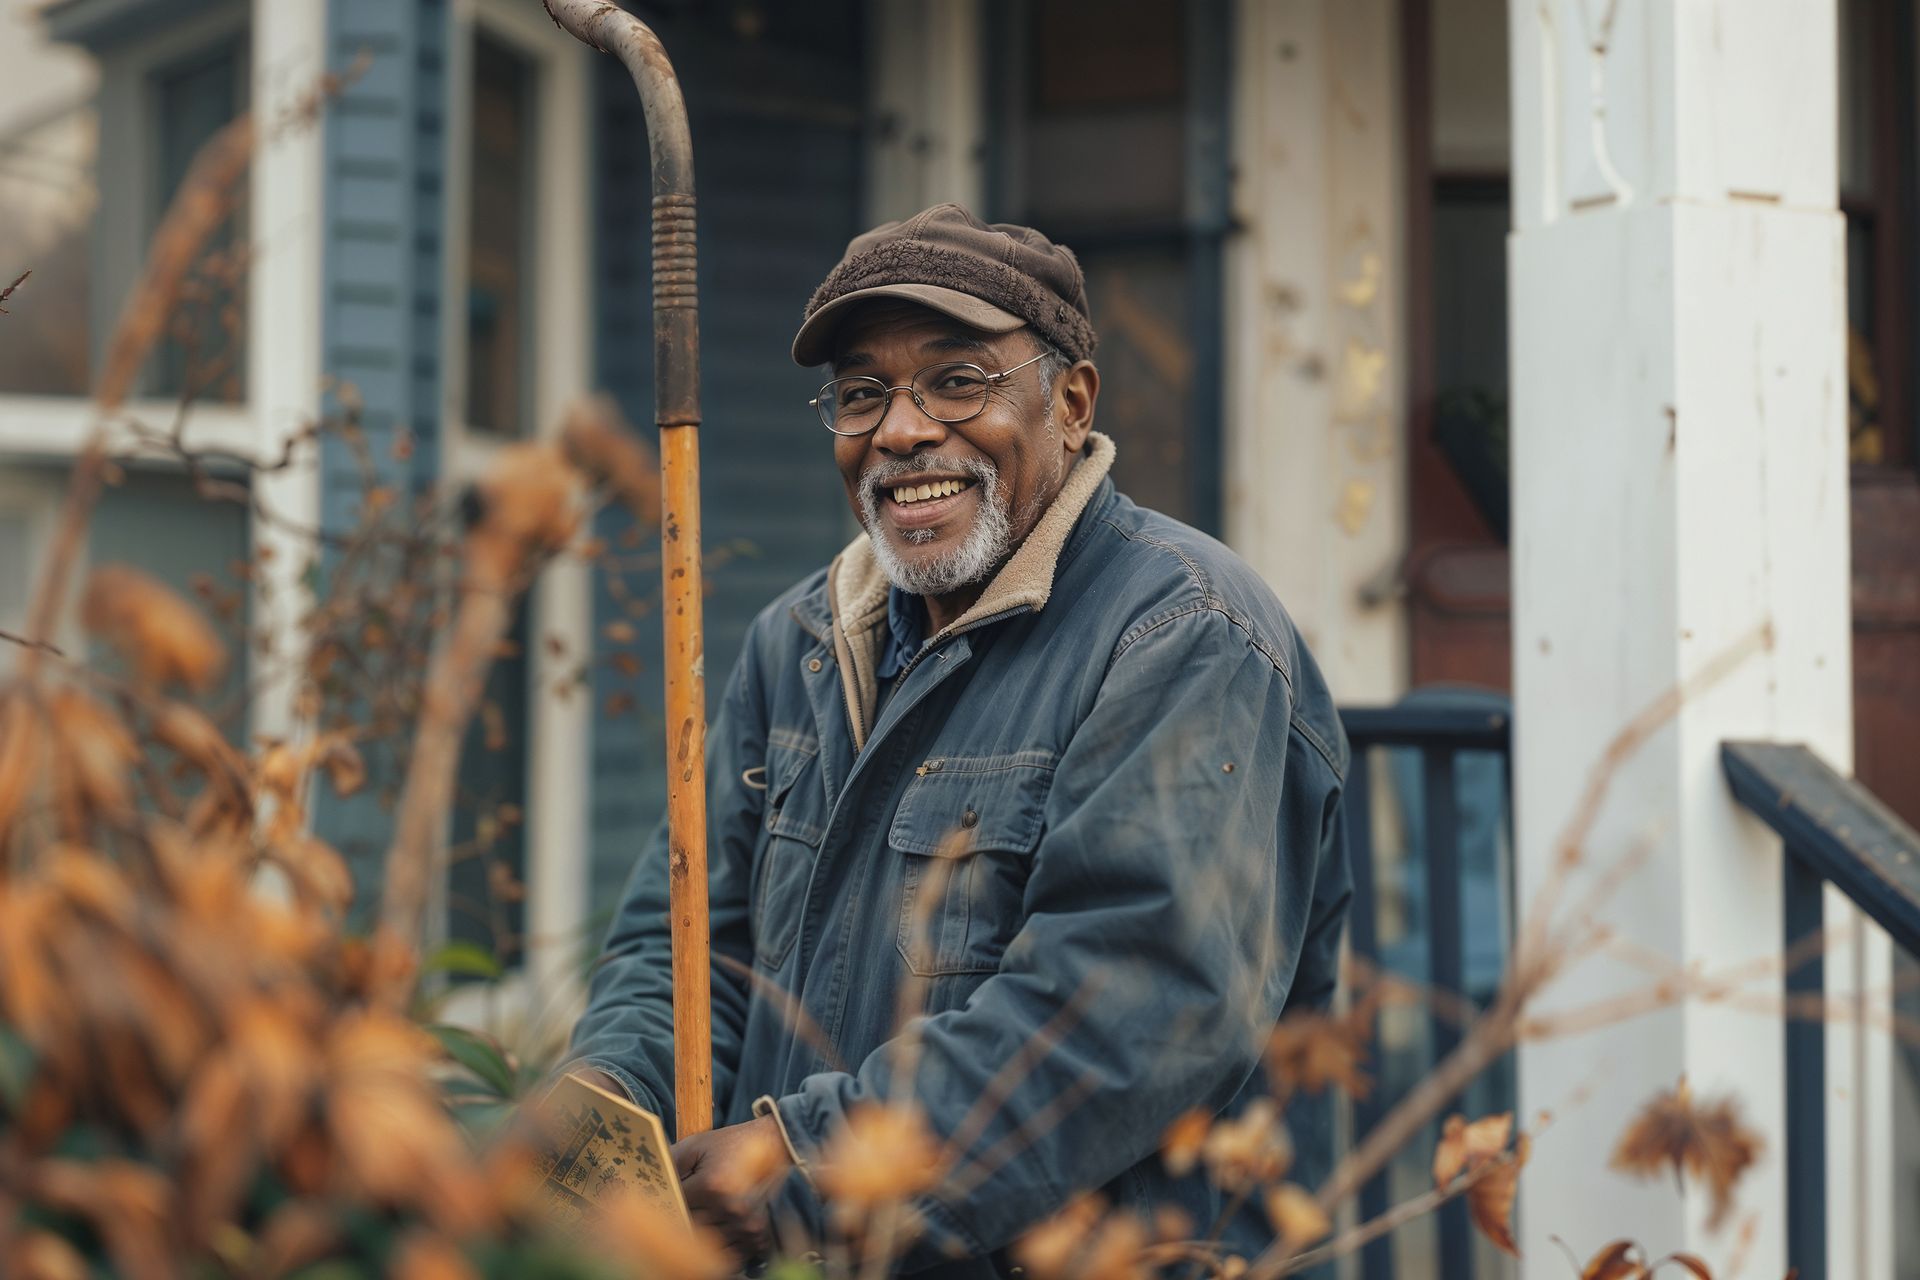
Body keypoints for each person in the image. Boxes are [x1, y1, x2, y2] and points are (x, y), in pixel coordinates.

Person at [564, 203, 1351, 1272]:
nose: (901, 430)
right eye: (862, 393)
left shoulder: (1184, 636)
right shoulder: (796, 646)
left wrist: (813, 1165)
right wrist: (607, 1103)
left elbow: (1128, 1010)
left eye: (957, 380)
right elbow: (688, 943)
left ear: (1071, 402)